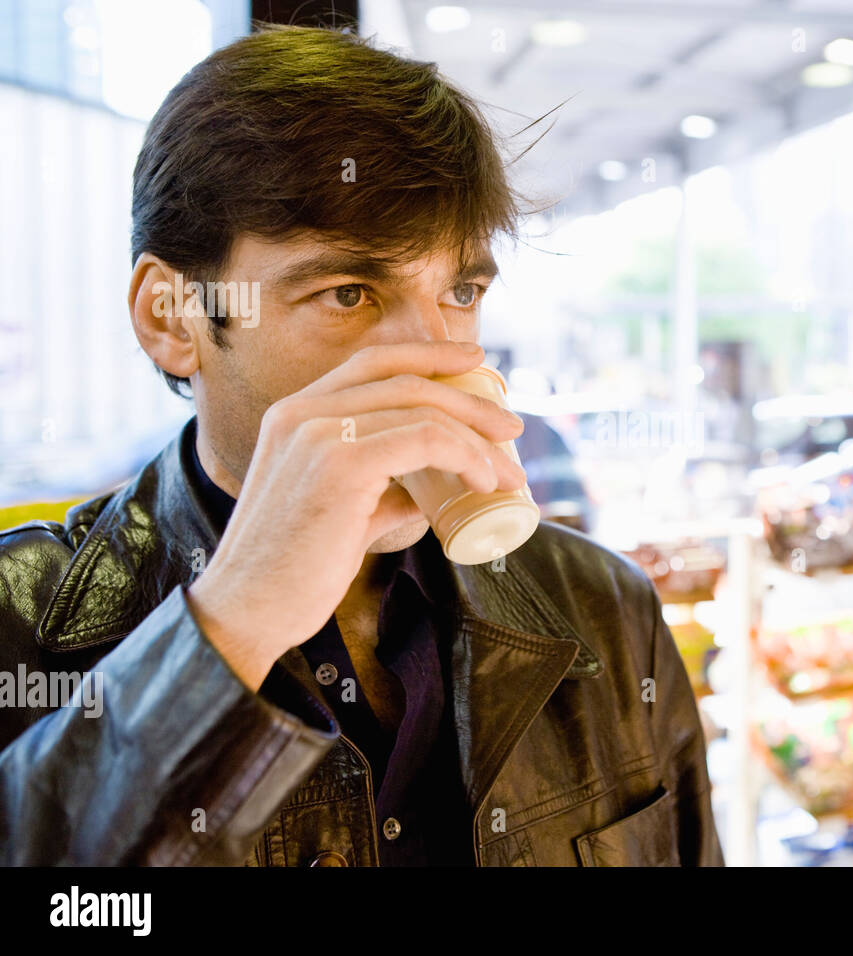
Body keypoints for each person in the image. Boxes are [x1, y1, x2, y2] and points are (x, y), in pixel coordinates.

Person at [0, 24, 723, 867]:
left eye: (459, 290)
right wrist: (232, 622)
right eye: (349, 291)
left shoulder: (604, 605)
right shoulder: (23, 623)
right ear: (174, 318)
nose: (439, 358)